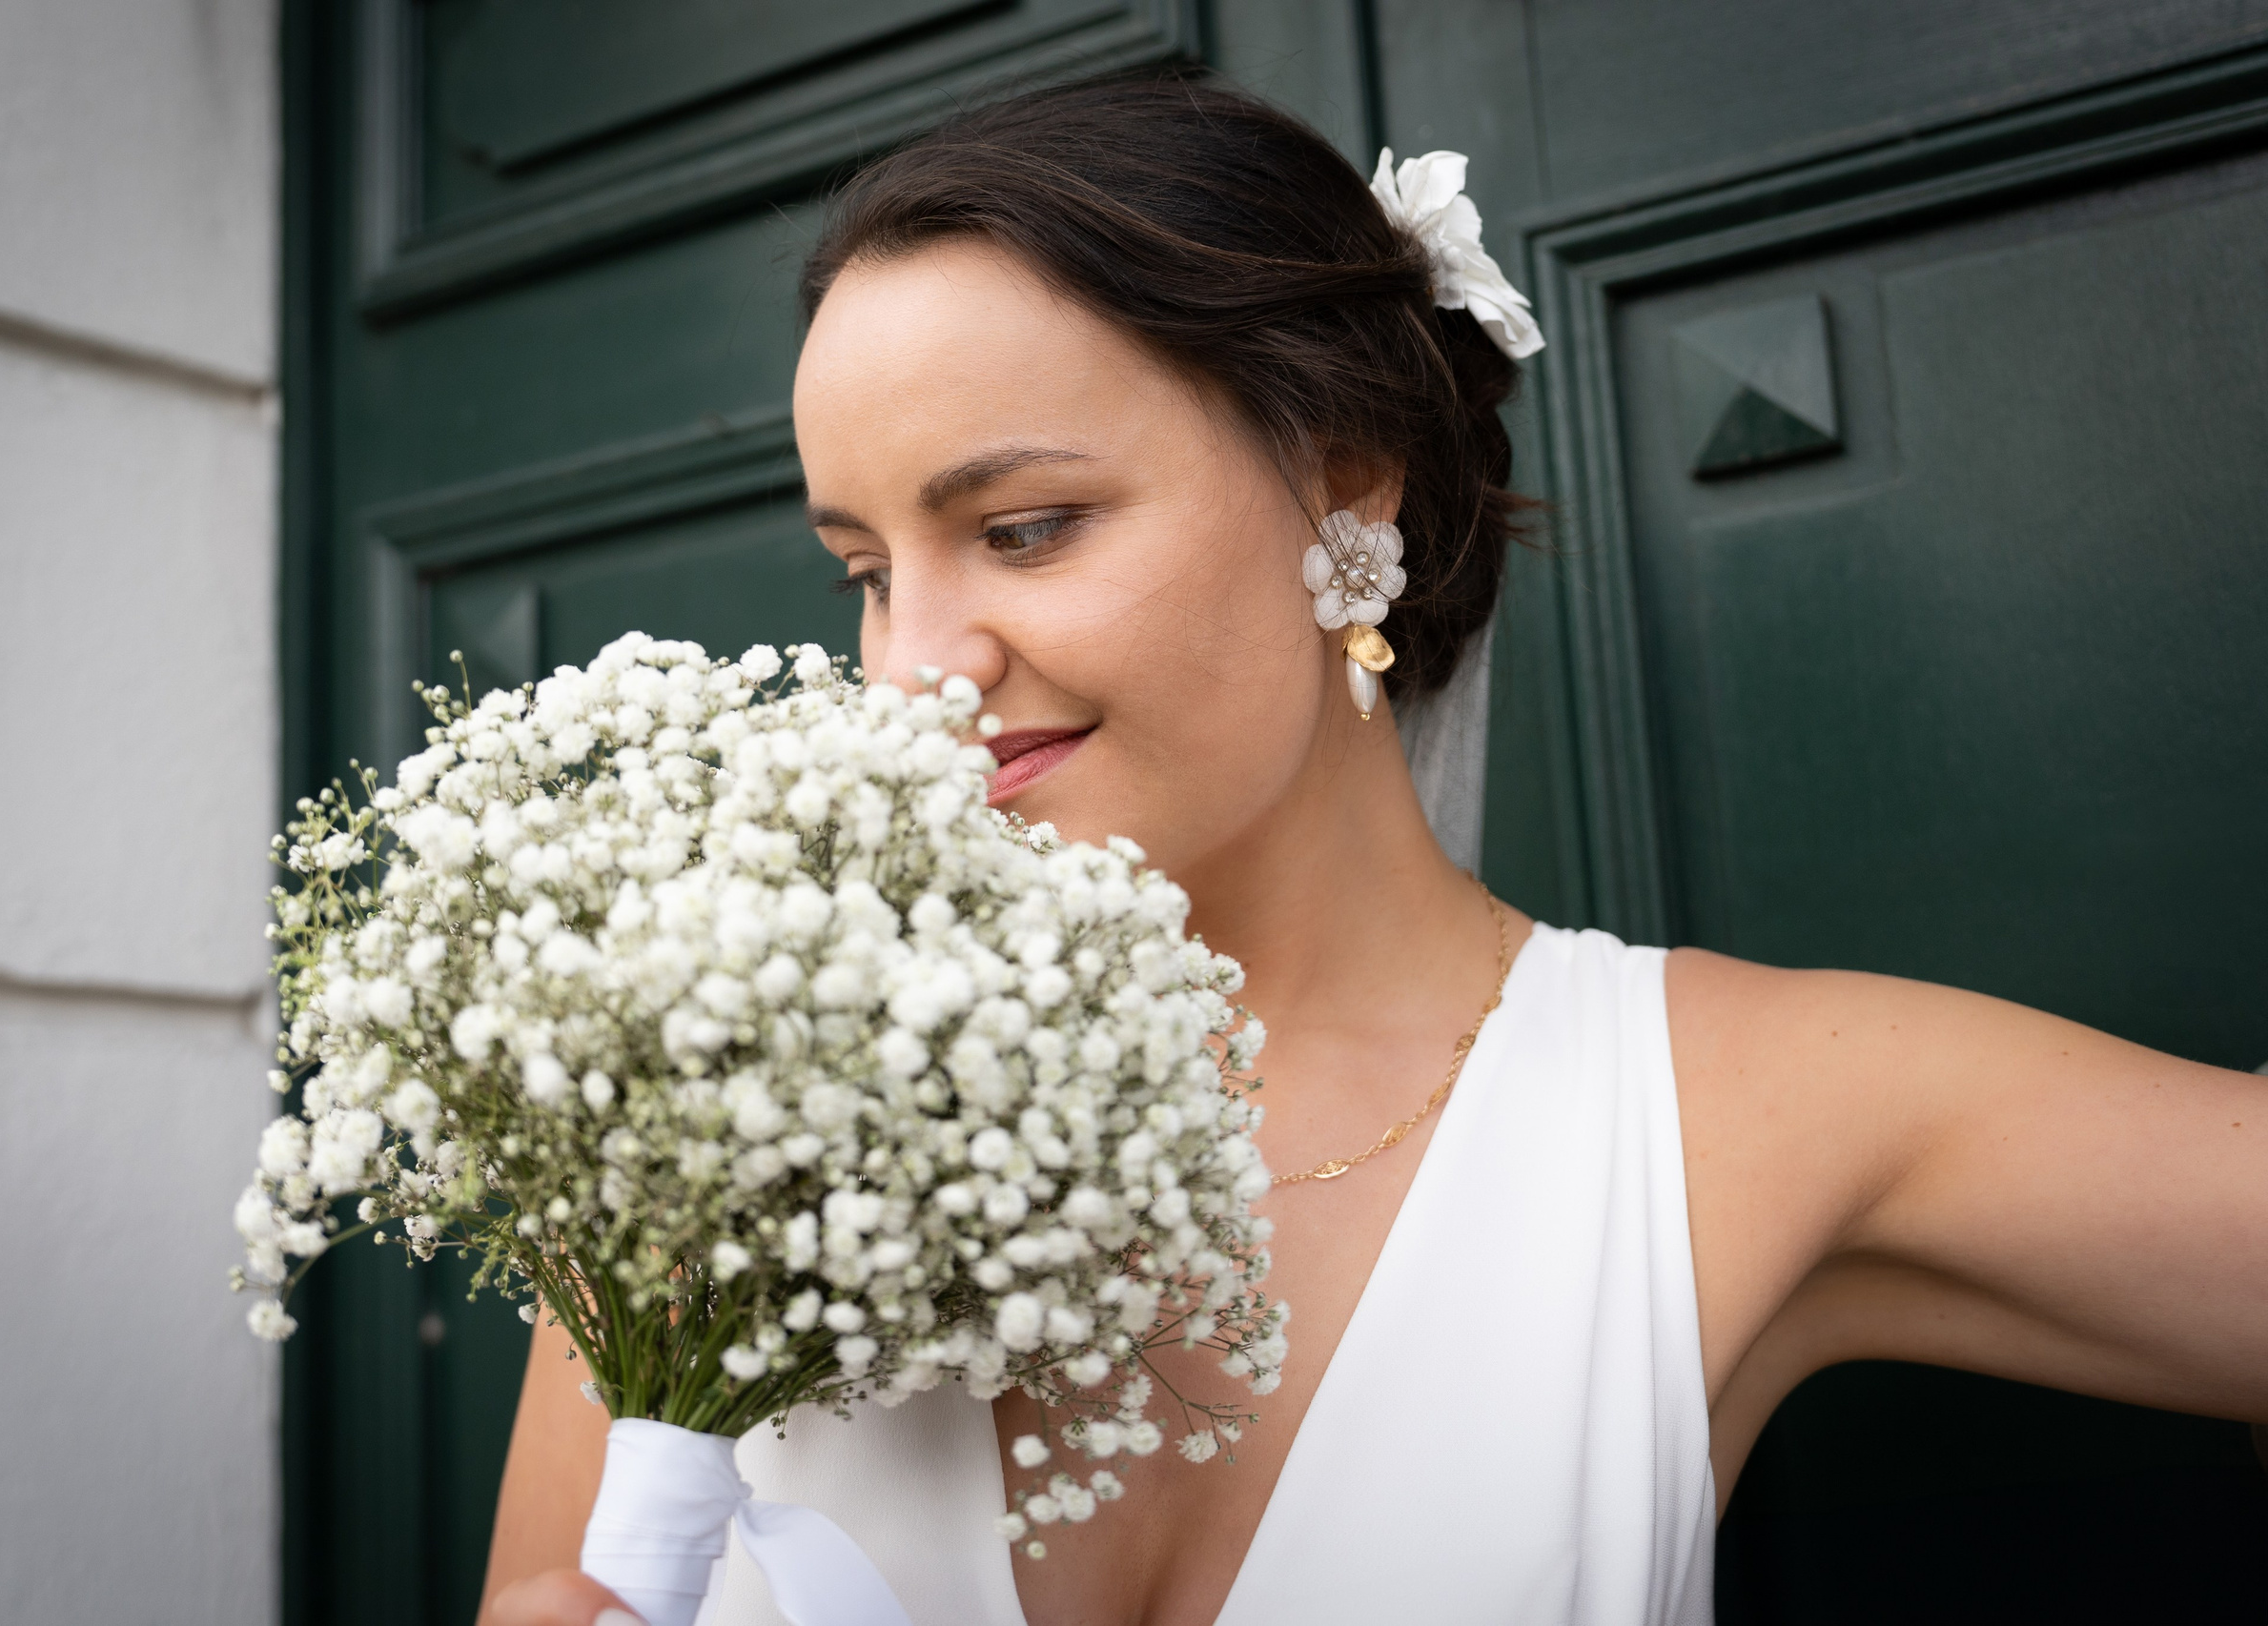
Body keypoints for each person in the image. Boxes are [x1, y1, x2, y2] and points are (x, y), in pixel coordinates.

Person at [480, 72, 2266, 1626]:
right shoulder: (707, 1109)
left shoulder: (1726, 1111)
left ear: (1350, 487)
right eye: (868, 571)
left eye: (1022, 529)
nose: (915, 673)